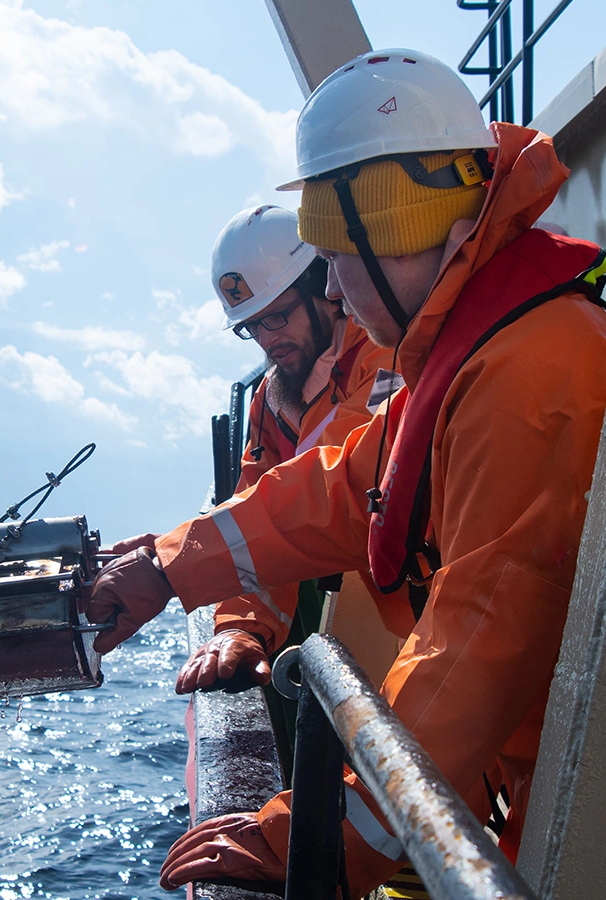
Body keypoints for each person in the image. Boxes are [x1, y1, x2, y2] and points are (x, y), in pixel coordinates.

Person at [86, 48, 606, 900]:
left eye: (333, 253)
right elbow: (343, 482)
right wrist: (168, 566)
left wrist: (323, 835)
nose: (330, 286)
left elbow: (476, 642)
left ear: (381, 228)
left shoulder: (529, 372)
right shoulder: (481, 346)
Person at [167, 206, 404, 782]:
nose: (269, 341)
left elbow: (329, 488)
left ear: (324, 288)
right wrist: (241, 628)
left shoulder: (385, 358)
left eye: (278, 318)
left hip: (404, 623)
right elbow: (256, 510)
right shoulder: (272, 402)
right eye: (253, 328)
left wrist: (166, 566)